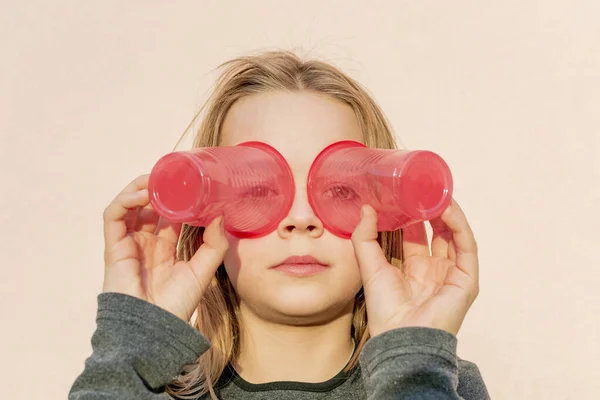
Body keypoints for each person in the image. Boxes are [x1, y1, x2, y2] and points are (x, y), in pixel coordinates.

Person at [69, 50, 490, 399]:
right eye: (256, 190)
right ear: (203, 219)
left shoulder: (433, 378)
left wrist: (412, 360)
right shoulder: (148, 386)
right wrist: (135, 343)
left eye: (340, 190)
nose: (301, 220)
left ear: (387, 218)